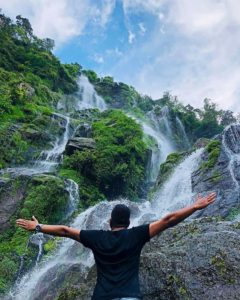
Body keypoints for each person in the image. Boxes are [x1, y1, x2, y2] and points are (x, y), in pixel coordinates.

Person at [16, 192, 216, 300]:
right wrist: (194, 206)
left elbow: (66, 231)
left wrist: (38, 227)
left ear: (109, 222)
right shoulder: (136, 235)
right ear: (129, 223)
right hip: (130, 296)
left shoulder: (96, 237)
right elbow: (168, 220)